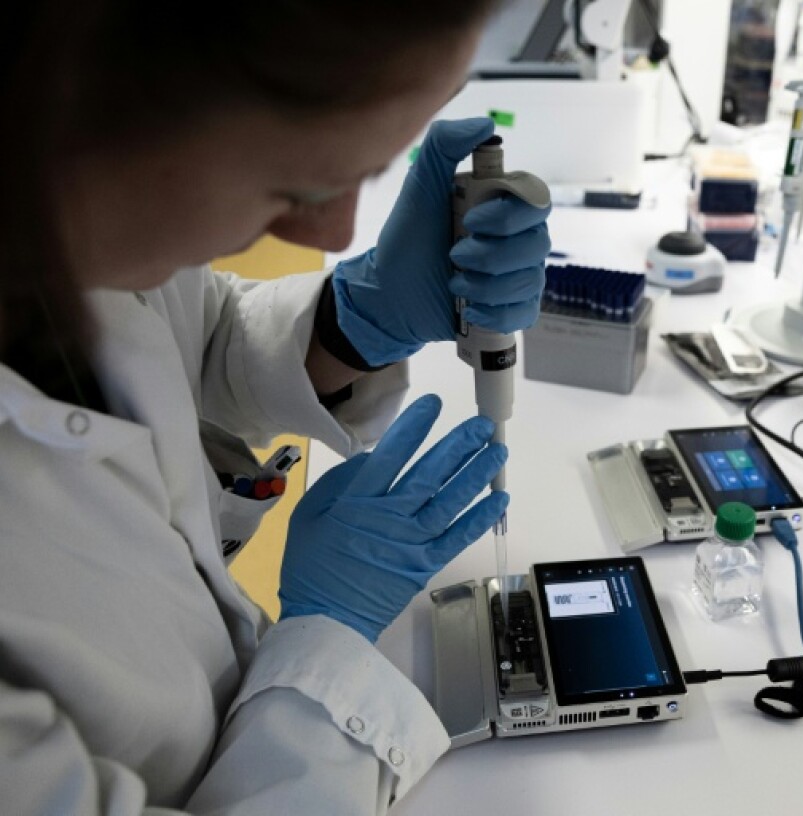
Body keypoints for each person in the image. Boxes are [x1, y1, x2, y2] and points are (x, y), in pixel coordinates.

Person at [0, 2, 551, 812]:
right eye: (297, 184)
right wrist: (323, 649)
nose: (326, 227)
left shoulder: (75, 206)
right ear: (76, 92)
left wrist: (355, 322)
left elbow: (186, 332)